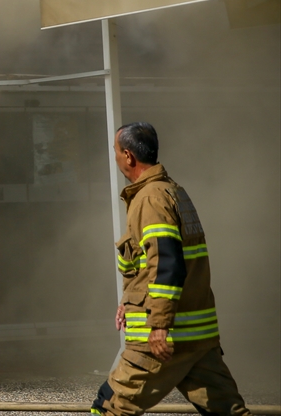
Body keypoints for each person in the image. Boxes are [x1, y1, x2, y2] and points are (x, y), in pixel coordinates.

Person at [91, 122, 249, 416]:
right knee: (228, 412)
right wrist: (128, 301)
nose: (113, 156)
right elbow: (144, 264)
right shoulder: (173, 192)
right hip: (197, 341)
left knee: (108, 406)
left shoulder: (150, 199)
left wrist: (159, 326)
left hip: (164, 340)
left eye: (115, 150)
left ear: (128, 156)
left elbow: (166, 264)